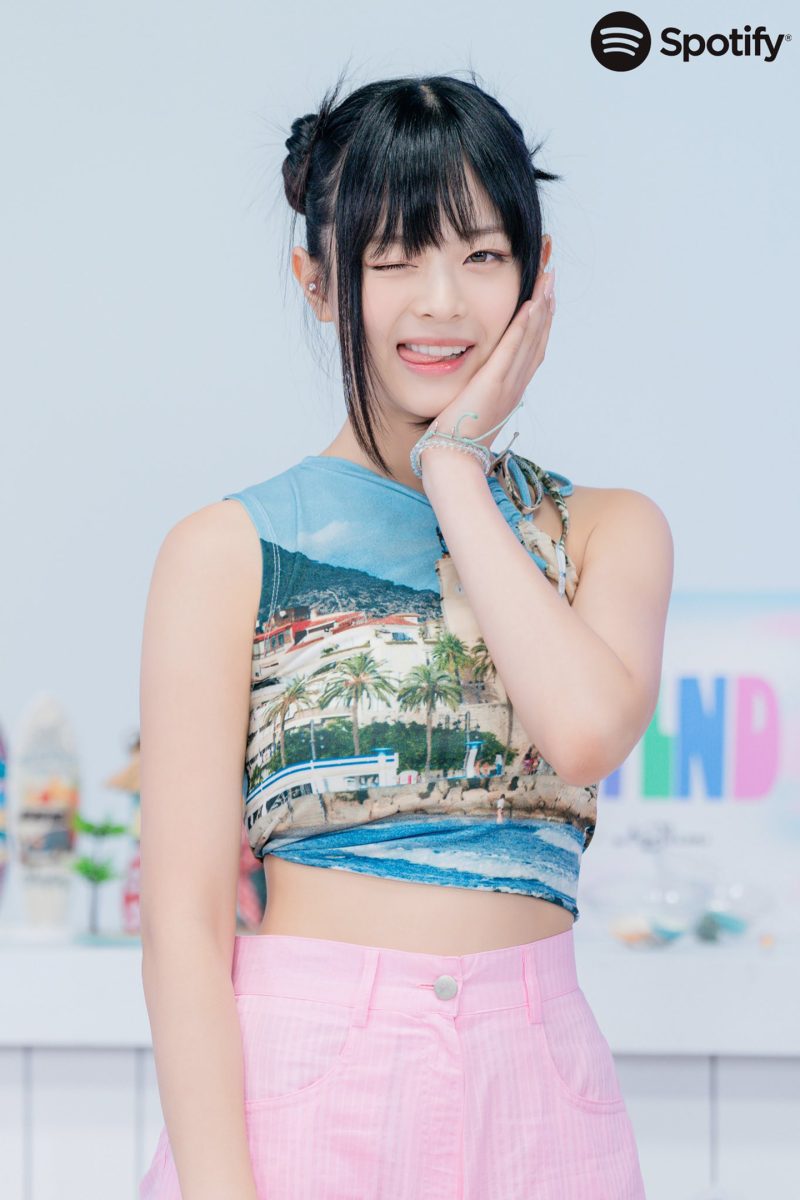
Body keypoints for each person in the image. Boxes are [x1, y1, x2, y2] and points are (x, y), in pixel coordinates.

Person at [138, 68, 673, 1200]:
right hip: (301, 1082)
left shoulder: (603, 530)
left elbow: (583, 732)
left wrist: (454, 470)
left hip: (538, 1090)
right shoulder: (227, 551)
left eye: (482, 255)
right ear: (319, 281)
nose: (442, 301)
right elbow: (184, 924)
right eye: (392, 259)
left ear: (535, 277)